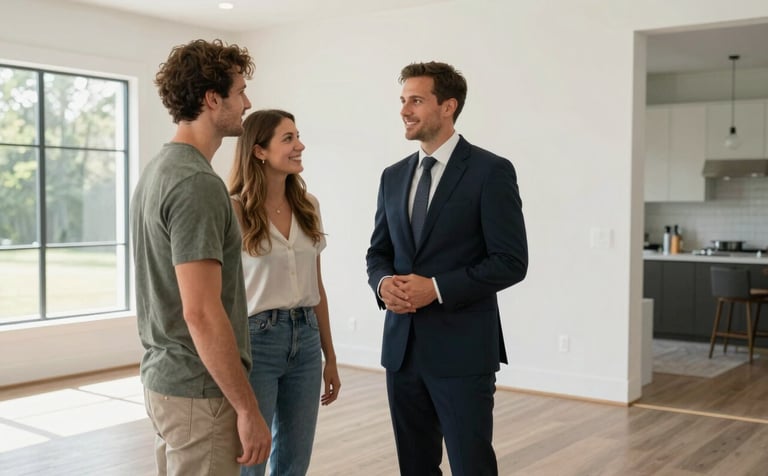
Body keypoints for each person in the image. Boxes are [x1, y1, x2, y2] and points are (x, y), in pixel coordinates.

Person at [366, 61, 528, 476]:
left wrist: (436, 288)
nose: (405, 110)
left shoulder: (490, 171)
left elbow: (511, 262)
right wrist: (383, 284)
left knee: (471, 466)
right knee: (415, 468)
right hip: (402, 352)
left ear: (448, 106)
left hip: (462, 353)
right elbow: (378, 253)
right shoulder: (392, 177)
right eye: (403, 101)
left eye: (416, 100)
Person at [130, 39, 271, 476]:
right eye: (240, 91)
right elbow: (202, 313)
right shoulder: (196, 183)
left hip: (165, 382)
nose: (247, 103)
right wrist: (247, 408)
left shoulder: (157, 170)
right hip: (199, 392)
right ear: (213, 99)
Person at [229, 109, 341, 476]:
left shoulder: (309, 207)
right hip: (256, 341)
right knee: (252, 457)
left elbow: (317, 287)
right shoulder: (233, 209)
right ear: (259, 151)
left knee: (295, 459)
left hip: (306, 339)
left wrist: (331, 356)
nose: (300, 145)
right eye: (288, 138)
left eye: (298, 136)